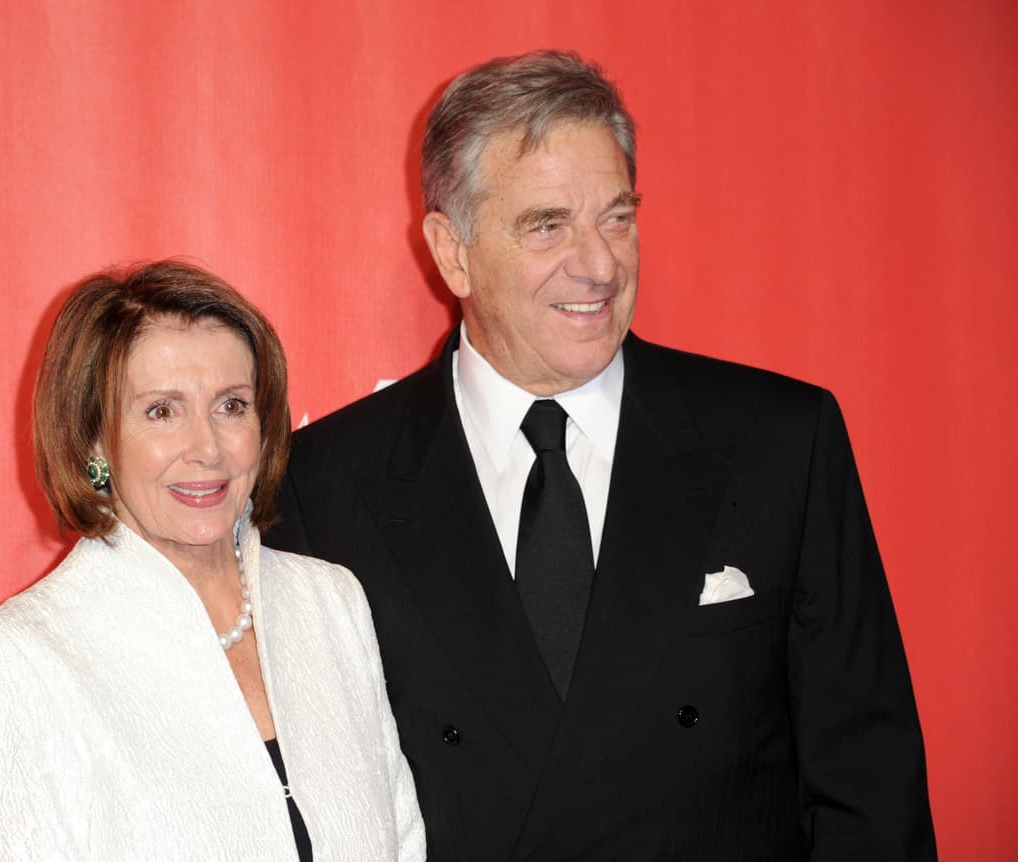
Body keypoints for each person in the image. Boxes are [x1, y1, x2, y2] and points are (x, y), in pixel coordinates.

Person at [266, 51, 935, 859]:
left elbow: (869, 785)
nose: (601, 264)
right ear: (452, 252)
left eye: (616, 217)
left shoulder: (781, 441)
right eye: (547, 225)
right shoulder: (323, 483)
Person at [0, 261, 425, 860]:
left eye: (231, 406)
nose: (207, 449)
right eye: (162, 411)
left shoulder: (331, 602)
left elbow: (404, 844)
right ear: (93, 440)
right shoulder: (18, 661)